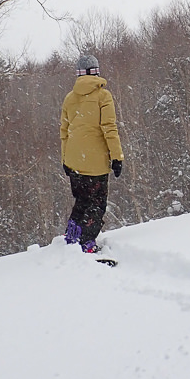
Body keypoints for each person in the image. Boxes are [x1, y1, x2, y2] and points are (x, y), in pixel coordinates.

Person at [60, 54, 124, 253]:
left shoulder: (69, 98)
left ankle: (72, 235)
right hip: (95, 162)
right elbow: (109, 128)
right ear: (96, 71)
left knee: (82, 200)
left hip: (74, 161)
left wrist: (65, 159)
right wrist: (117, 157)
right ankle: (87, 242)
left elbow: (64, 132)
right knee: (97, 204)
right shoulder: (103, 96)